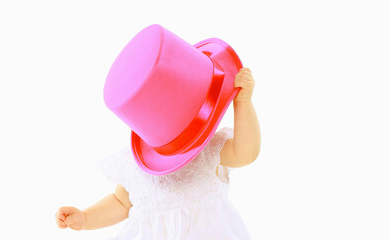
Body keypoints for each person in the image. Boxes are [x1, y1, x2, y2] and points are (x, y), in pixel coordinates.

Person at [56, 67, 261, 239]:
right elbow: (120, 202)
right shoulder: (136, 163)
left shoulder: (206, 149)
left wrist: (243, 103)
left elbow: (245, 152)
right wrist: (85, 218)